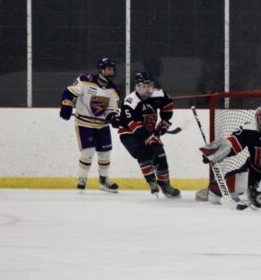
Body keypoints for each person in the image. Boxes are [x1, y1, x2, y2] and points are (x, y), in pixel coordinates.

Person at [59, 57, 121, 193]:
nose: (111, 72)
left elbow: (112, 109)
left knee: (105, 153)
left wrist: (113, 117)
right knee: (88, 151)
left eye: (112, 69)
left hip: (102, 126)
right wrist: (66, 104)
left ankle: (104, 181)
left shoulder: (113, 89)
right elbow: (69, 92)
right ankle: (82, 179)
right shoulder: (85, 79)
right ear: (101, 70)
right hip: (84, 123)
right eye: (108, 69)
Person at [118, 71, 181, 198]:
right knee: (142, 151)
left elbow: (168, 106)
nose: (147, 89)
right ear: (137, 87)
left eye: (149, 86)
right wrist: (148, 136)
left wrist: (163, 123)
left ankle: (165, 185)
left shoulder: (159, 95)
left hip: (148, 131)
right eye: (144, 87)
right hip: (129, 133)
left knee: (160, 153)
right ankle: (152, 181)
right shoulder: (130, 101)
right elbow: (133, 125)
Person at [200, 103, 261, 189]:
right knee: (230, 180)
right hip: (252, 169)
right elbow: (234, 143)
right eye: (259, 119)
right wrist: (216, 151)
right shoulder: (248, 129)